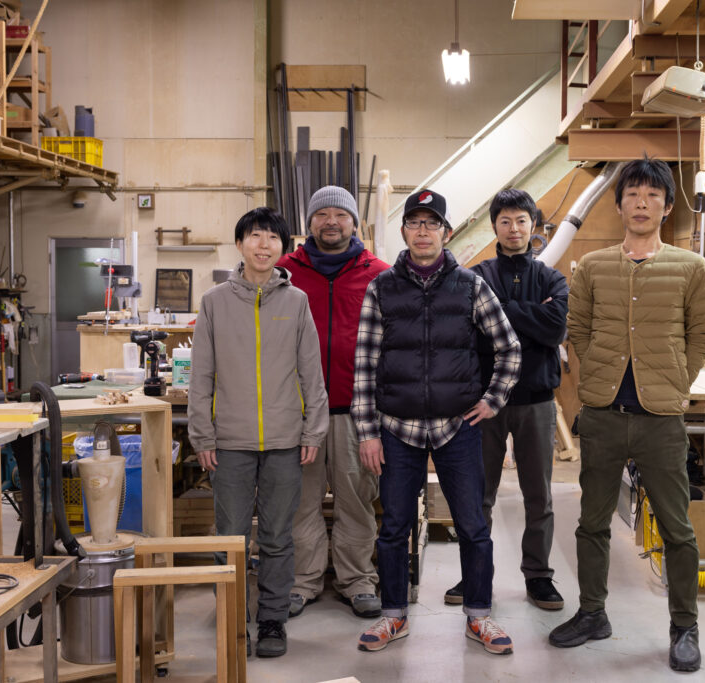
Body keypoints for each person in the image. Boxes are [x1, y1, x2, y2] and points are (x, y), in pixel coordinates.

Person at [548, 158, 705, 673]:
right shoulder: (594, 266)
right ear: (619, 204)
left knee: (677, 528)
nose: (641, 203)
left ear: (667, 206)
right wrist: (594, 385)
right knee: (591, 523)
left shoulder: (691, 267)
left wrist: (674, 384)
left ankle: (684, 626)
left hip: (660, 419)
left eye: (652, 195)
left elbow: (702, 335)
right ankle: (593, 612)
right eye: (632, 194)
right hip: (601, 415)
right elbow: (576, 330)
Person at [351, 189, 522, 655]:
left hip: (457, 428)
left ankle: (480, 617)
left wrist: (492, 400)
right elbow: (364, 364)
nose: (423, 231)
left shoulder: (470, 286)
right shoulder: (382, 288)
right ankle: (393, 617)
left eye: (432, 224)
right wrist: (367, 431)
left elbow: (509, 347)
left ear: (446, 233)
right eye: (414, 223)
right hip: (396, 428)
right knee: (394, 527)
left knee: (473, 525)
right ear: (403, 231)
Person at [188, 207, 329, 659]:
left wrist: (313, 431)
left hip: (286, 442)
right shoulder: (213, 303)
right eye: (255, 236)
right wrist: (203, 437)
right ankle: (232, 618)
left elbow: (312, 373)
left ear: (284, 248)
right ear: (240, 244)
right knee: (230, 535)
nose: (263, 244)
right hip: (228, 444)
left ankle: (271, 620)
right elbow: (201, 377)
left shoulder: (297, 302)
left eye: (272, 237)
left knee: (277, 536)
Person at [443, 189, 568, 610]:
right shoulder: (475, 276)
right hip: (484, 404)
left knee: (539, 496)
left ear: (533, 226)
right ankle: (475, 573)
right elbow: (470, 332)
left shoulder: (553, 279)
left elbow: (555, 330)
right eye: (505, 221)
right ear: (494, 227)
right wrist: (532, 313)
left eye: (521, 221)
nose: (513, 229)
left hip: (536, 401)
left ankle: (538, 577)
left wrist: (501, 309)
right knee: (478, 494)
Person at [279, 186, 390, 619]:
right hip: (297, 413)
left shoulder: (378, 273)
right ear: (308, 223)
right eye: (321, 214)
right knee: (299, 501)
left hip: (355, 410)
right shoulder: (284, 272)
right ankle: (302, 581)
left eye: (340, 215)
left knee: (357, 498)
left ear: (354, 222)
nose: (331, 222)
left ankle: (357, 580)